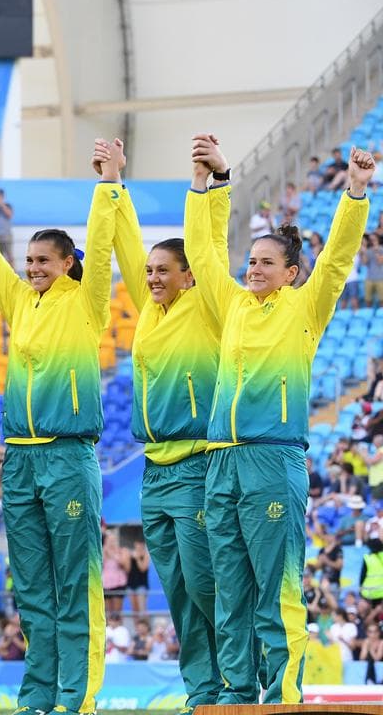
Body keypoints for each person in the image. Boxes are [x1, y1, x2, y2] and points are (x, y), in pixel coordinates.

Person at [187, 137, 375, 703]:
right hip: (220, 459)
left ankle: (283, 693)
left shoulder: (306, 307)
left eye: (267, 263)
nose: (254, 270)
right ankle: (237, 691)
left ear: (293, 273)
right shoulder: (233, 305)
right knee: (229, 588)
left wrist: (356, 192)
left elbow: (339, 259)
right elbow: (202, 252)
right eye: (251, 262)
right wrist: (211, 185)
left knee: (278, 585)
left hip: (274, 457)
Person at [0, 138, 119, 715]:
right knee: (29, 587)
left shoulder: (87, 302)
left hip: (67, 454)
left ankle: (76, 696)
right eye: (28, 262)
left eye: (43, 262)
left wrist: (107, 182)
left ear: (68, 264)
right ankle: (39, 695)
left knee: (73, 583)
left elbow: (102, 245)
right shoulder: (20, 302)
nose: (31, 271)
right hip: (20, 458)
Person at [110, 136, 231, 709]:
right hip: (154, 472)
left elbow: (209, 245)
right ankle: (202, 690)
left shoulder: (207, 308)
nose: (153, 277)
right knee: (181, 593)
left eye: (165, 270)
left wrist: (205, 185)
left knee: (210, 586)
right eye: (150, 270)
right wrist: (112, 183)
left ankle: (239, 681)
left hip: (196, 464)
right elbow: (126, 243)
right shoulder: (149, 314)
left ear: (189, 276)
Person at [0, 188, 15, 262]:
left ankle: (13, 272)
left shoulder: (8, 205)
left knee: (9, 256)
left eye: (1, 196)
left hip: (6, 235)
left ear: (3, 196)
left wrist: (2, 205)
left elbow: (9, 215)